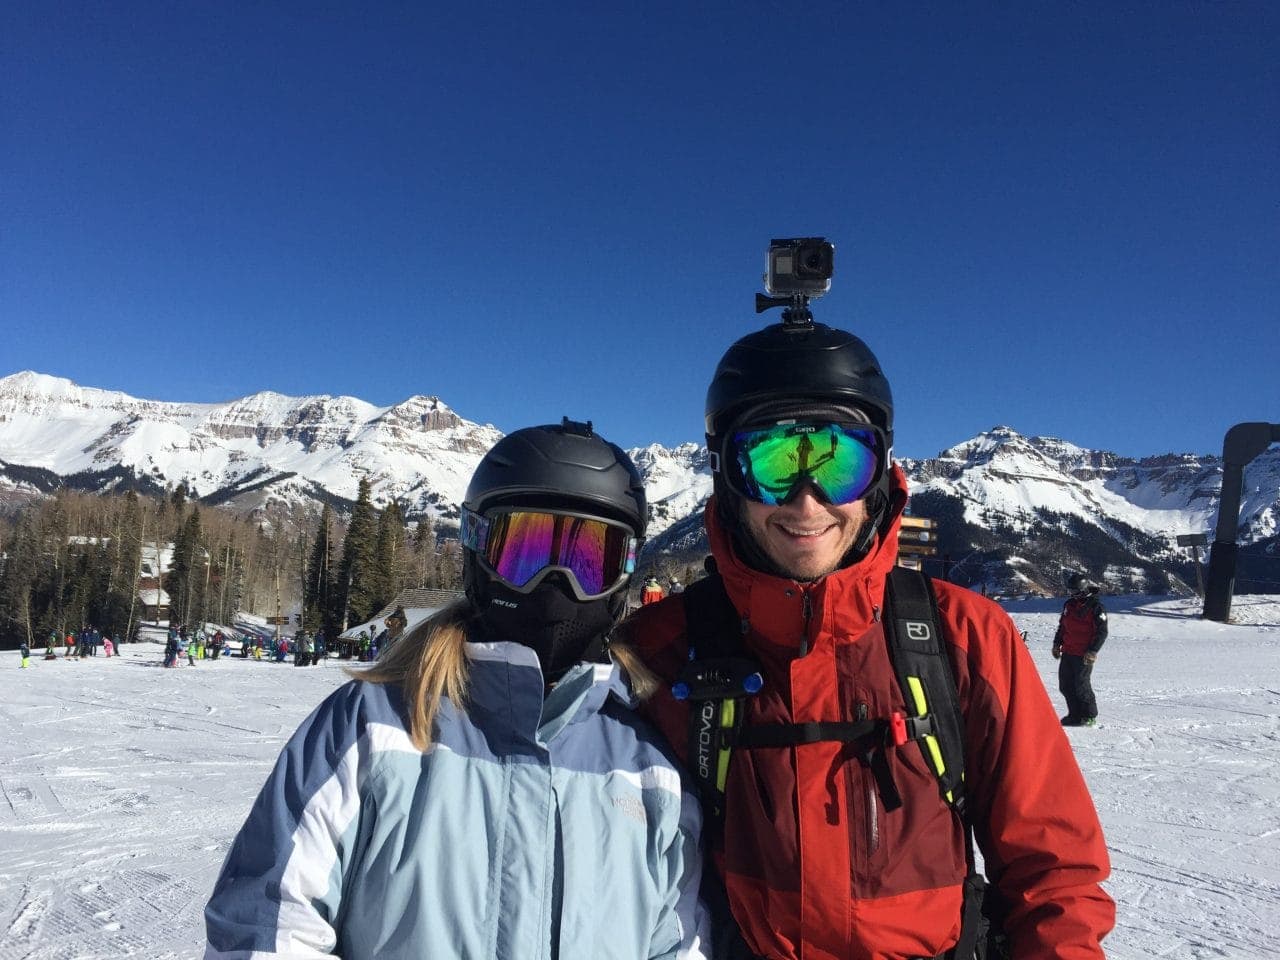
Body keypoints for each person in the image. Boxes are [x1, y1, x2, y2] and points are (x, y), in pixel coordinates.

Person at [622, 315, 1114, 959]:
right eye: (771, 463)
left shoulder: (963, 637)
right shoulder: (661, 648)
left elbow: (1054, 872)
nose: (805, 501)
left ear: (879, 473)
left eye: (840, 463)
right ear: (726, 477)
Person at [204, 419, 708, 960]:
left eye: (590, 561)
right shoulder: (372, 728)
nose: (556, 583)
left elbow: (678, 947)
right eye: (527, 552)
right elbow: (268, 930)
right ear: (477, 551)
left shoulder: (649, 767)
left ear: (624, 576)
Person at [1053, 572, 1108, 727]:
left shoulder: (1096, 607)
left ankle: (1089, 715)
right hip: (1068, 651)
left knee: (1081, 685)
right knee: (1065, 685)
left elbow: (1102, 632)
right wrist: (1057, 644)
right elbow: (1062, 626)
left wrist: (1092, 651)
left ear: (1083, 590)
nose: (1072, 594)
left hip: (1083, 654)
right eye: (1070, 591)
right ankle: (1075, 715)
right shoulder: (1069, 605)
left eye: (1075, 591)